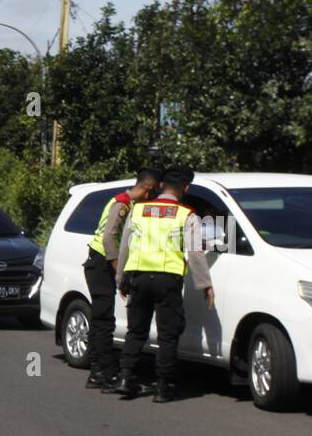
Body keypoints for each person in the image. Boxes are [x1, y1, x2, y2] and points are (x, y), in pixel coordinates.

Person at [112, 166, 215, 403]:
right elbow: (196, 253)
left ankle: (126, 379)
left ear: (160, 187)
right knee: (168, 335)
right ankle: (162, 387)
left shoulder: (138, 210)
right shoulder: (186, 214)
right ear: (185, 189)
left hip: (137, 277)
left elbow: (124, 245)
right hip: (167, 280)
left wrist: (120, 278)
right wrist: (206, 285)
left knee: (136, 331)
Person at [84, 168, 162, 389]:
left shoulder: (130, 204)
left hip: (101, 263)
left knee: (101, 320)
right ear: (148, 188)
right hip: (101, 263)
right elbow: (109, 238)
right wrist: (118, 271)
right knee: (104, 321)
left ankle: (97, 371)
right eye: (154, 191)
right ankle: (105, 372)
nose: (154, 196)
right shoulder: (123, 202)